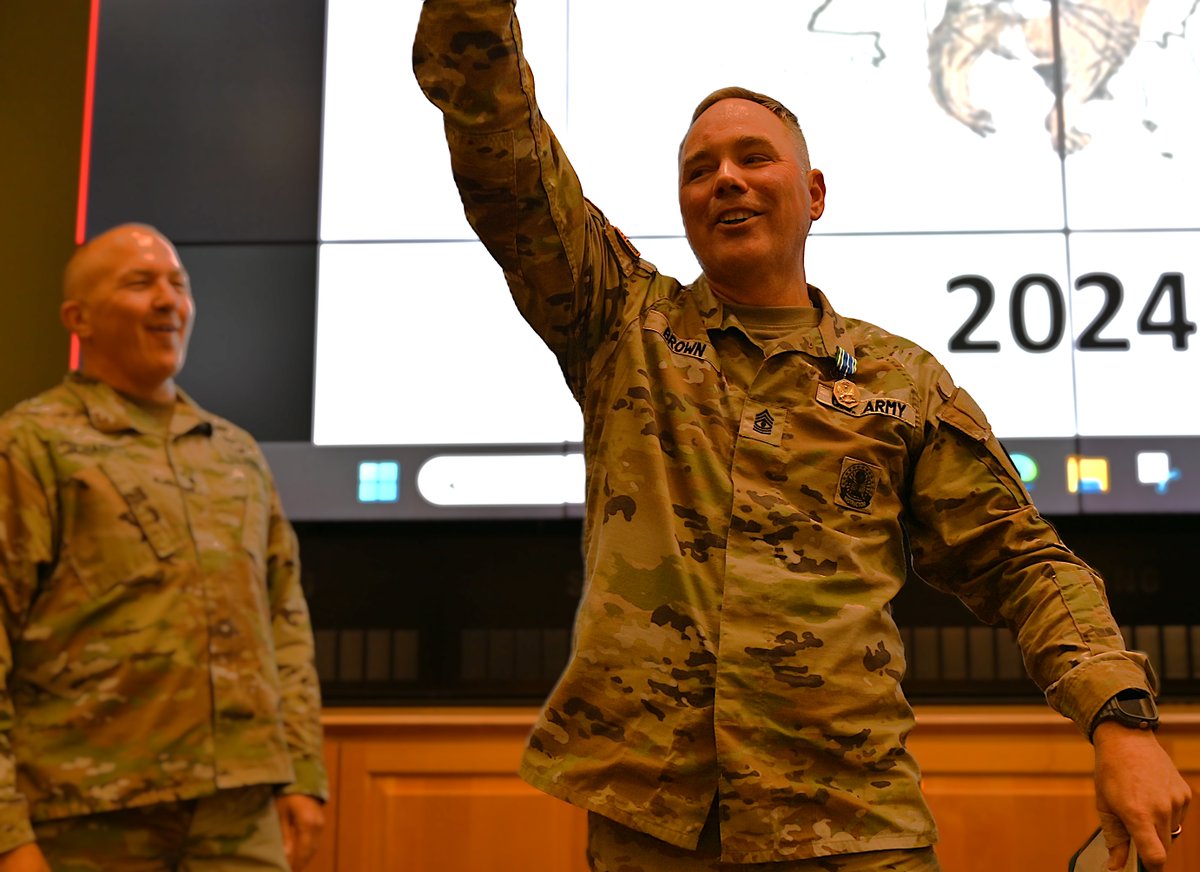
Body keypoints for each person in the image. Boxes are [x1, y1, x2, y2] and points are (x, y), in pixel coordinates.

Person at [414, 2, 1190, 871]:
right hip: (658, 834)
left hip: (853, 827)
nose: (727, 179)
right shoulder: (621, 324)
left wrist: (1120, 721)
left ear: (814, 193)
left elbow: (1020, 560)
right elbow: (501, 147)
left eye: (754, 158)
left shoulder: (901, 382)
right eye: (700, 169)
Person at [0, 224, 328, 871]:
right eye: (140, 283)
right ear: (78, 318)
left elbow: (284, 621)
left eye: (178, 284)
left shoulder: (235, 453)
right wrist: (8, 830)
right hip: (86, 818)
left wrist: (301, 773)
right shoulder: (30, 446)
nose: (167, 300)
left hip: (240, 815)